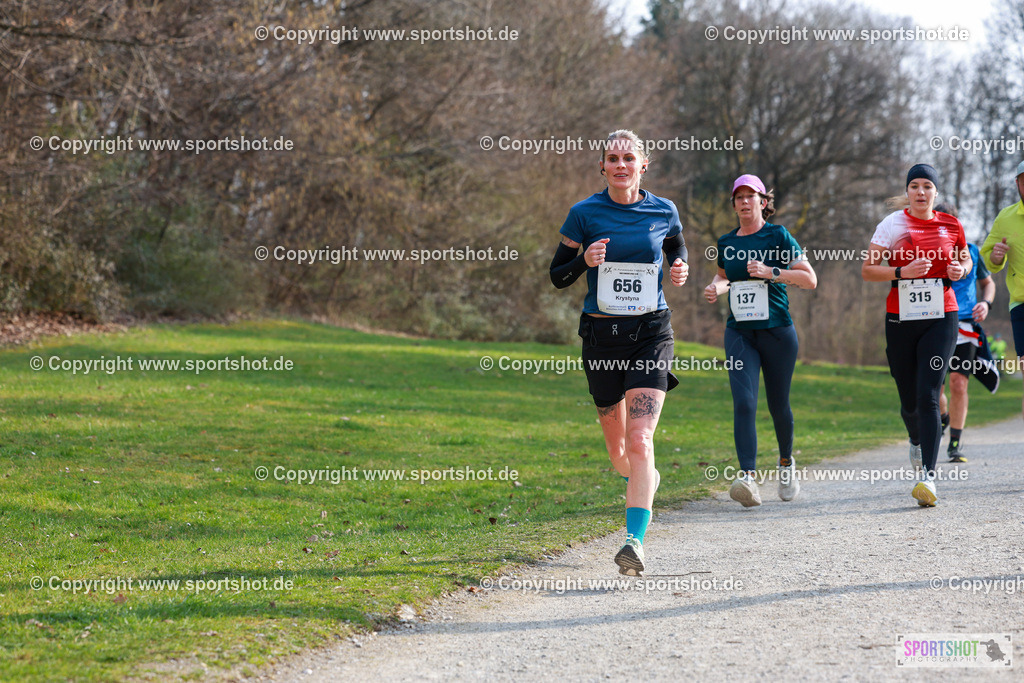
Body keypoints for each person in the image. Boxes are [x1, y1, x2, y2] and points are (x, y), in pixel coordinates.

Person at [549, 129, 688, 576]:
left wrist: (680, 265)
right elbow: (557, 275)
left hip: (651, 333)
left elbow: (674, 244)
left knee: (640, 440)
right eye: (613, 158)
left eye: (629, 158)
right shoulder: (584, 214)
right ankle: (642, 483)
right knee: (619, 456)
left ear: (643, 165)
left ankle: (634, 541)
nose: (621, 165)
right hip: (602, 341)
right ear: (603, 167)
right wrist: (583, 261)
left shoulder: (662, 209)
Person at [703, 174, 817, 507]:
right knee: (744, 402)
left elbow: (809, 279)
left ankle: (785, 462)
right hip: (739, 331)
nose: (743, 202)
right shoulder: (727, 242)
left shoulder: (777, 235)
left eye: (749, 196)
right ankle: (748, 478)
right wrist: (716, 288)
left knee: (778, 404)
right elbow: (724, 276)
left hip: (778, 332)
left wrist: (772, 272)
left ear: (763, 202)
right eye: (737, 197)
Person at [862, 164, 971, 507]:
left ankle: (928, 476)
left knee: (928, 393)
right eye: (914, 186)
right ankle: (915, 438)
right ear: (907, 192)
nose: (921, 192)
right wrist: (901, 271)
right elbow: (867, 270)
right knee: (908, 399)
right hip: (900, 318)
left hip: (942, 314)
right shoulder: (891, 224)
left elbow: (965, 260)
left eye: (927, 186)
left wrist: (960, 268)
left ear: (936, 193)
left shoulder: (951, 225)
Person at [935, 204, 997, 463]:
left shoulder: (970, 251)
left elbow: (988, 283)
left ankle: (955, 443)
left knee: (958, 383)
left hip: (965, 327)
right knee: (933, 389)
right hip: (934, 326)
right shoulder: (923, 250)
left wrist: (986, 303)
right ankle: (942, 418)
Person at [981, 160, 1024, 421]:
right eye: (1023, 179)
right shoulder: (1005, 218)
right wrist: (996, 256)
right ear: (1018, 184)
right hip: (1021, 303)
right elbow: (988, 260)